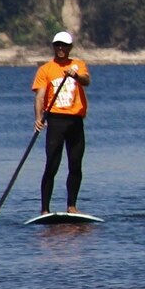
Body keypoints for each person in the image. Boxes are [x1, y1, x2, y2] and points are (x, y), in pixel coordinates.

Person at [31, 30, 90, 216]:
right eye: (58, 45)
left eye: (64, 45)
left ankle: (71, 206)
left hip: (75, 121)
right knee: (52, 165)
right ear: (54, 46)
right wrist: (39, 118)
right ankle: (45, 209)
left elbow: (86, 81)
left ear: (70, 47)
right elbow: (40, 96)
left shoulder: (78, 65)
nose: (61, 48)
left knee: (75, 165)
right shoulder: (46, 69)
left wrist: (76, 76)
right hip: (55, 120)